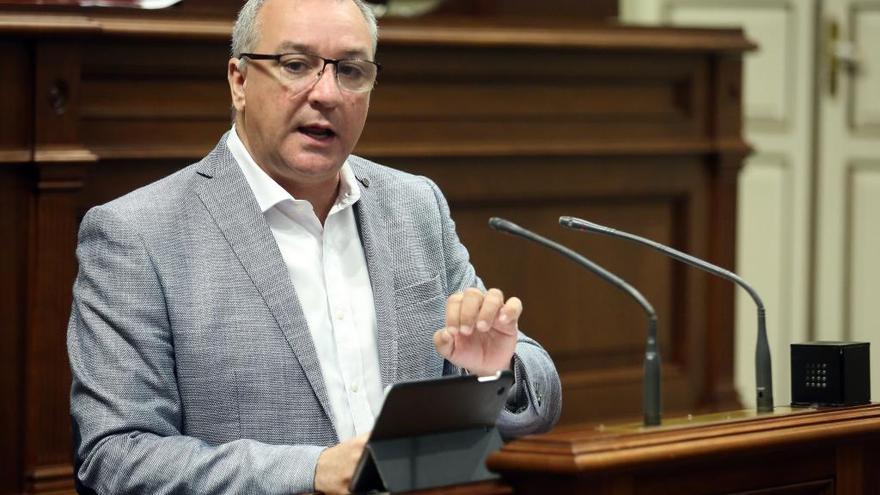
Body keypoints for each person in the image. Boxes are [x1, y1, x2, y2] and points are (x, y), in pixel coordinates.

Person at [67, 0, 561, 493]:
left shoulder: (414, 206)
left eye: (350, 70)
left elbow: (538, 391)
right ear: (239, 81)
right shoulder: (138, 234)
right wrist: (313, 471)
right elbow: (115, 455)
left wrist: (495, 371)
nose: (326, 93)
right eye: (295, 65)